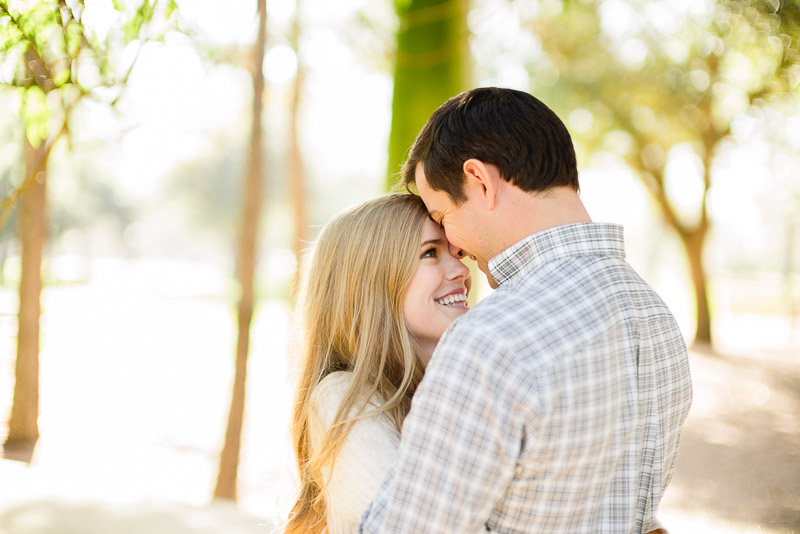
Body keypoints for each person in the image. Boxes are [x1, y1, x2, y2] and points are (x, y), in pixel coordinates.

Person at [358, 87, 693, 533]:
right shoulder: (655, 316)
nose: (453, 244)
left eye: (443, 215)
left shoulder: (492, 338)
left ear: (480, 181)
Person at [285, 193, 472, 534]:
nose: (461, 270)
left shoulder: (451, 385)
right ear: (371, 283)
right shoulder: (343, 397)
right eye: (430, 253)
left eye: (456, 252)